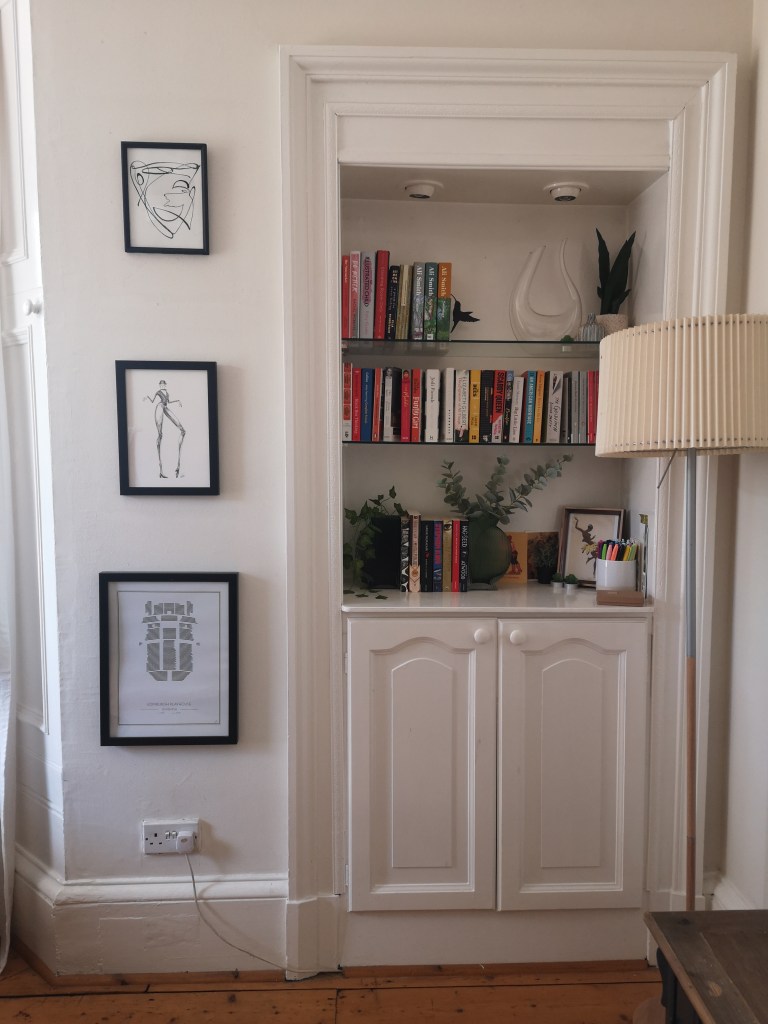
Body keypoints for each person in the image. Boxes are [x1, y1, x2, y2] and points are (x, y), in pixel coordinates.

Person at [144, 380, 185, 478]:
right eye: (161, 384)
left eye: (163, 384)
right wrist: (147, 397)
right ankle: (160, 470)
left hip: (165, 407)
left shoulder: (167, 392)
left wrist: (178, 400)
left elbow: (169, 402)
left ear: (165, 385)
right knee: (160, 435)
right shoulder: (158, 392)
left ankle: (178, 466)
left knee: (183, 431)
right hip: (159, 407)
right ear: (159, 385)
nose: (162, 385)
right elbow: (153, 400)